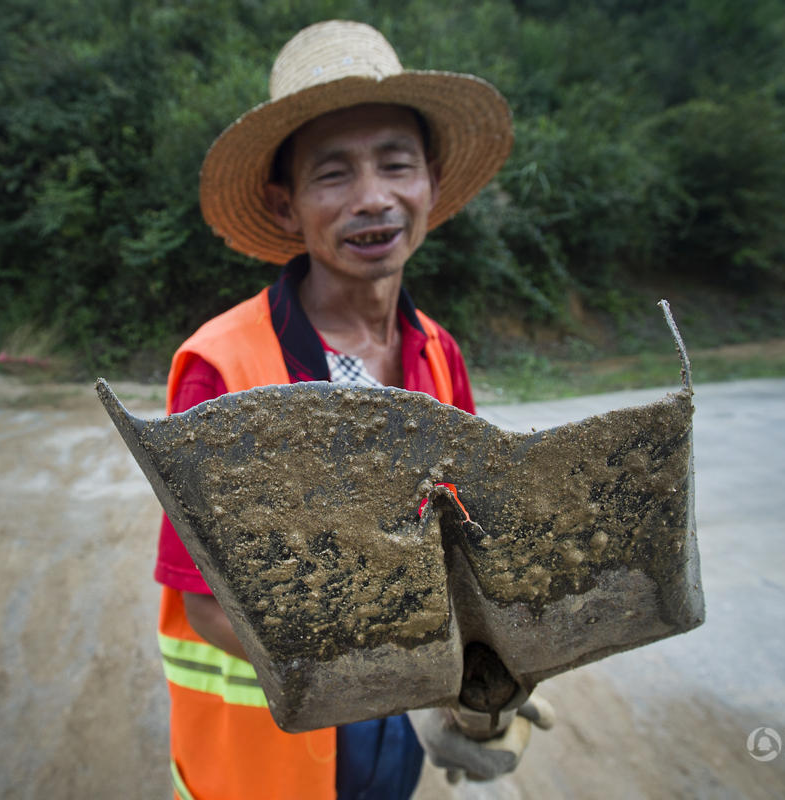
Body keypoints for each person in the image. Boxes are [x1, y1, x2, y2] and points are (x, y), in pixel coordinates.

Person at [154, 21, 552, 800]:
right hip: (268, 759)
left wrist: (473, 686)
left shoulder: (438, 353)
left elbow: (469, 546)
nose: (372, 199)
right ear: (285, 205)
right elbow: (205, 606)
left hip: (394, 735)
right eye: (332, 175)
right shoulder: (223, 367)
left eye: (395, 164)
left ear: (430, 182)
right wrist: (405, 678)